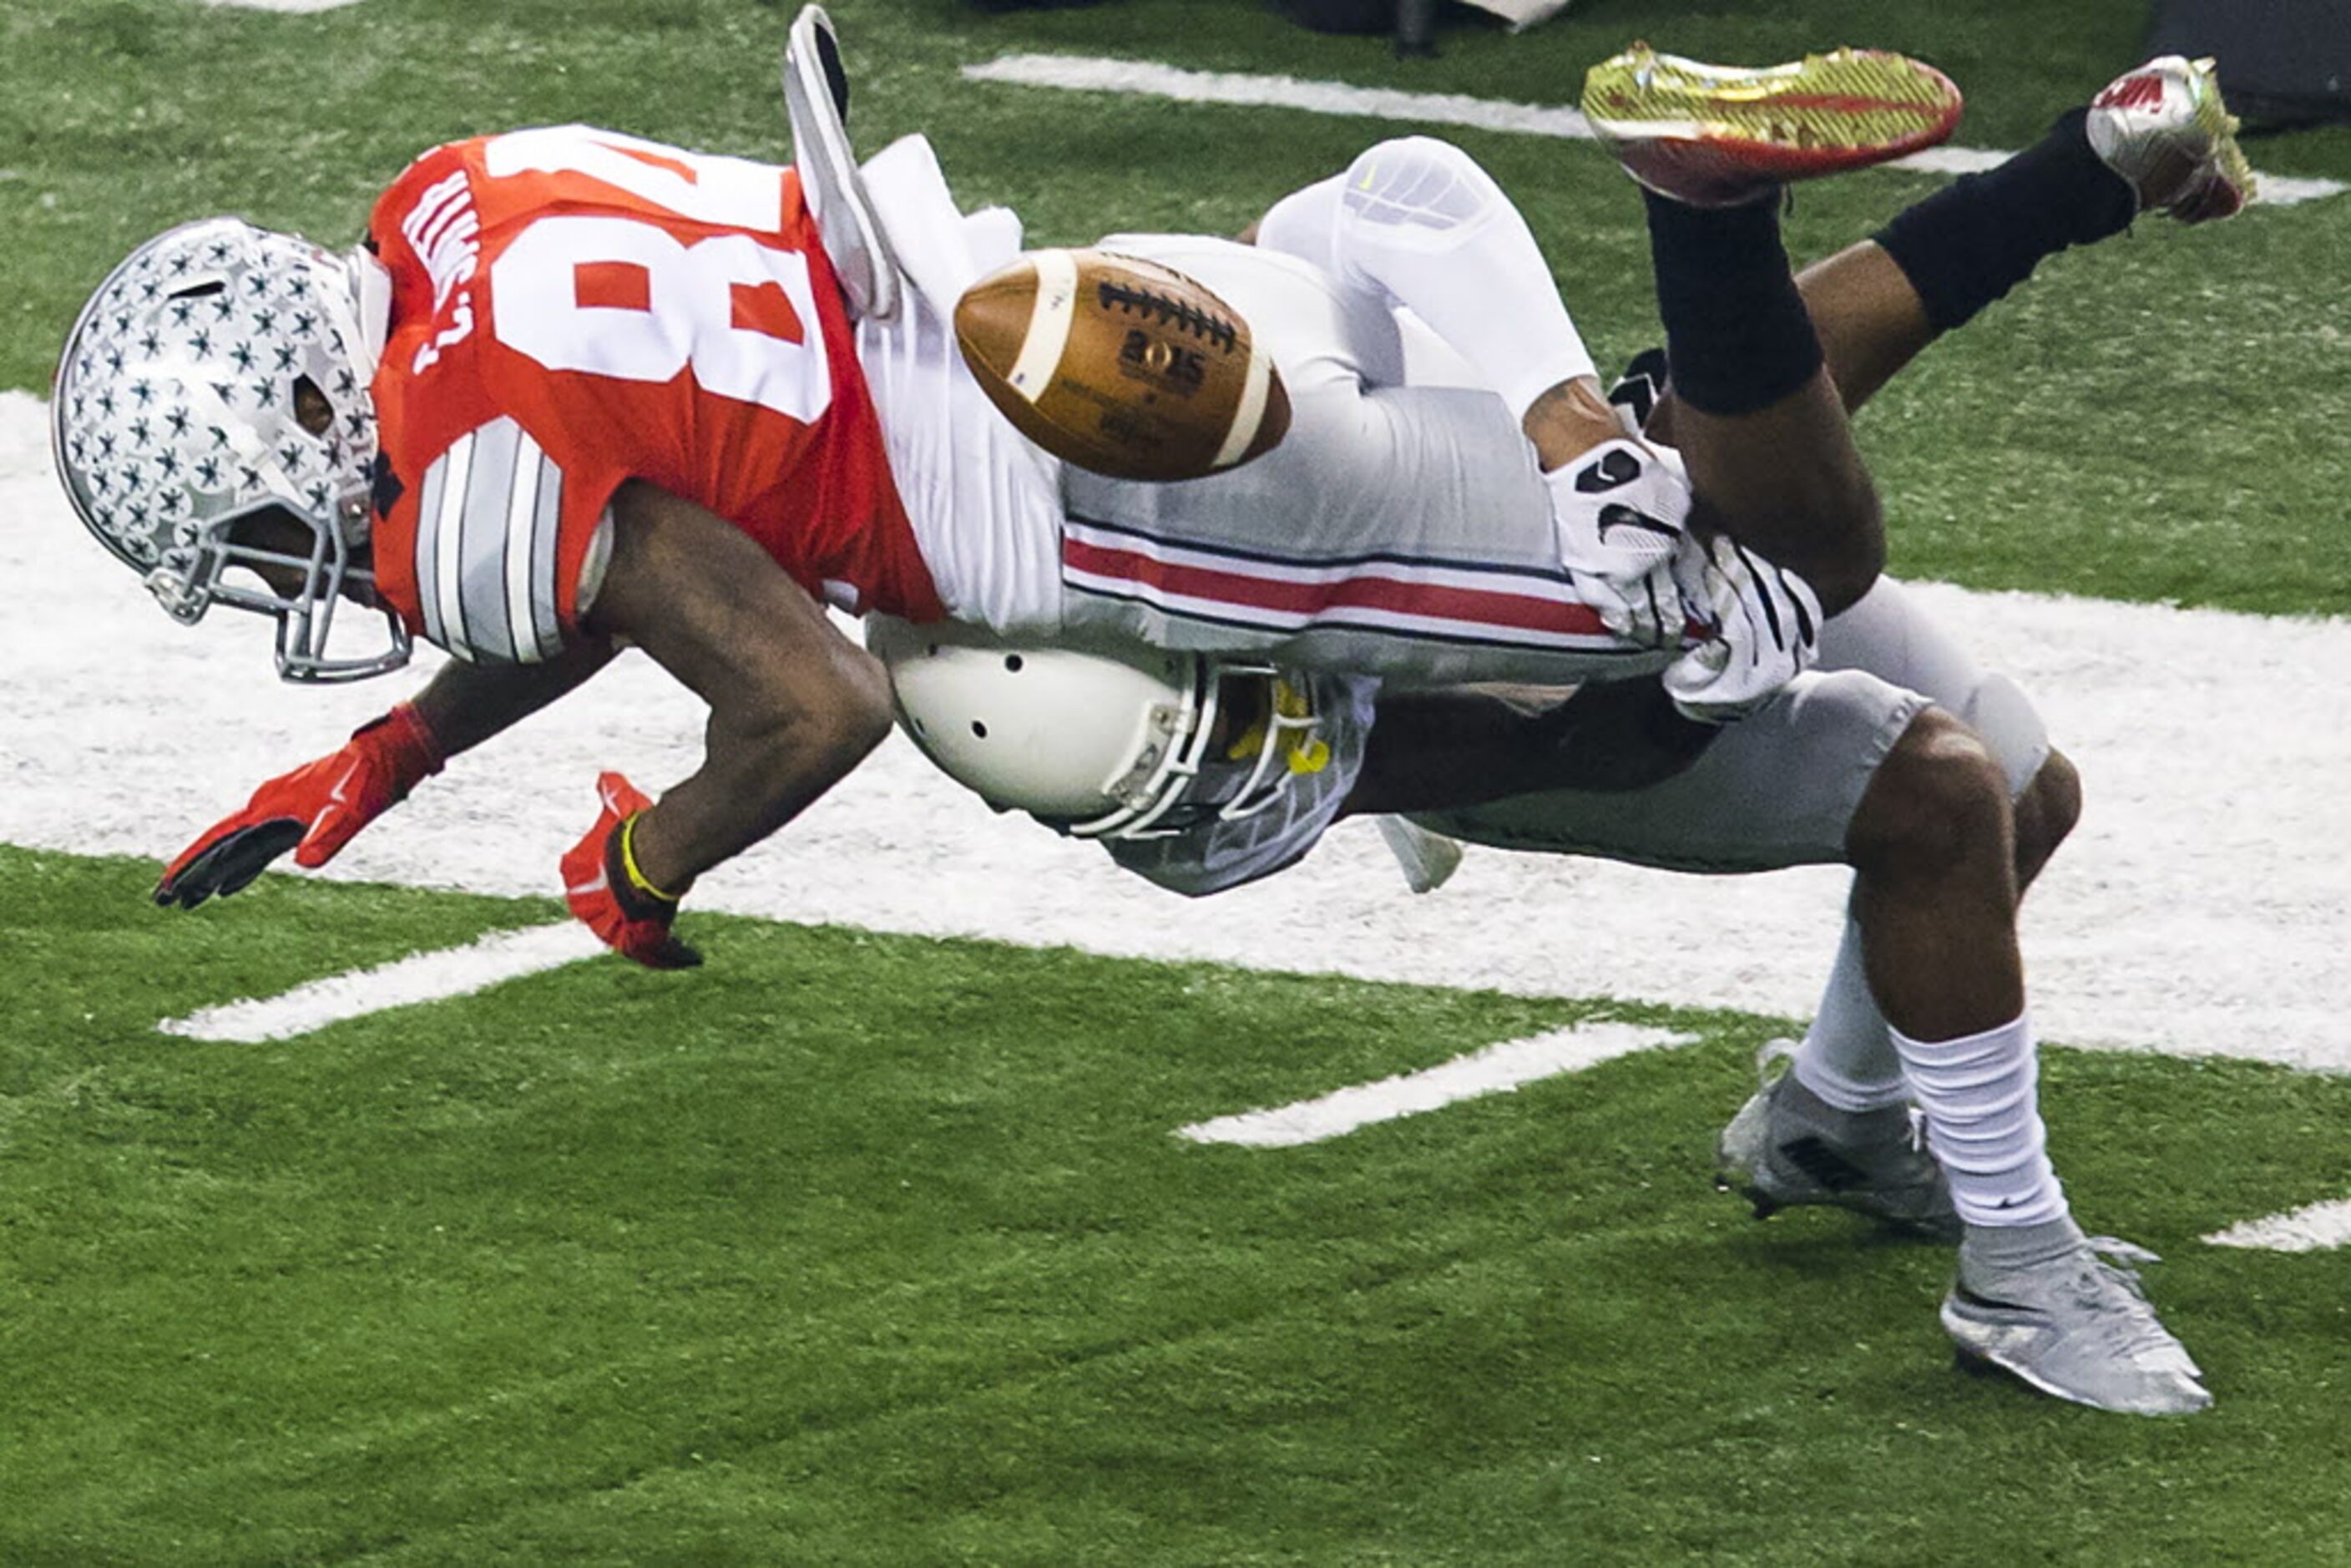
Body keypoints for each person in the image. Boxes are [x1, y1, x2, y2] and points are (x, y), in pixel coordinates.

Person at [873, 52, 2255, 1415]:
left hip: (1573, 514)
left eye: (1225, 738)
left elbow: (1366, 212)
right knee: (1938, 792)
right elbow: (1549, 750)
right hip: (1508, 688)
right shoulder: (1123, 734)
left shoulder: (1199, 381)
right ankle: (2018, 1273)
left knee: (2021, 786)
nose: (1255, 769)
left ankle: (1833, 1123)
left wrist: (1562, 418)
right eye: (1209, 777)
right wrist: (1671, 693)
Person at [48, 19, 1911, 971]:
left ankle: (1718, 211)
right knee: (1556, 477)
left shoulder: (461, 482)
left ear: (292, 396)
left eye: (255, 521)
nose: (289, 559)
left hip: (1112, 511)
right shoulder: (453, 204)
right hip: (1053, 303)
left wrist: (651, 857)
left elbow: (807, 696)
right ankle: (2023, 189)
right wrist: (405, 750)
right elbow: (625, 527)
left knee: (1752, 579)